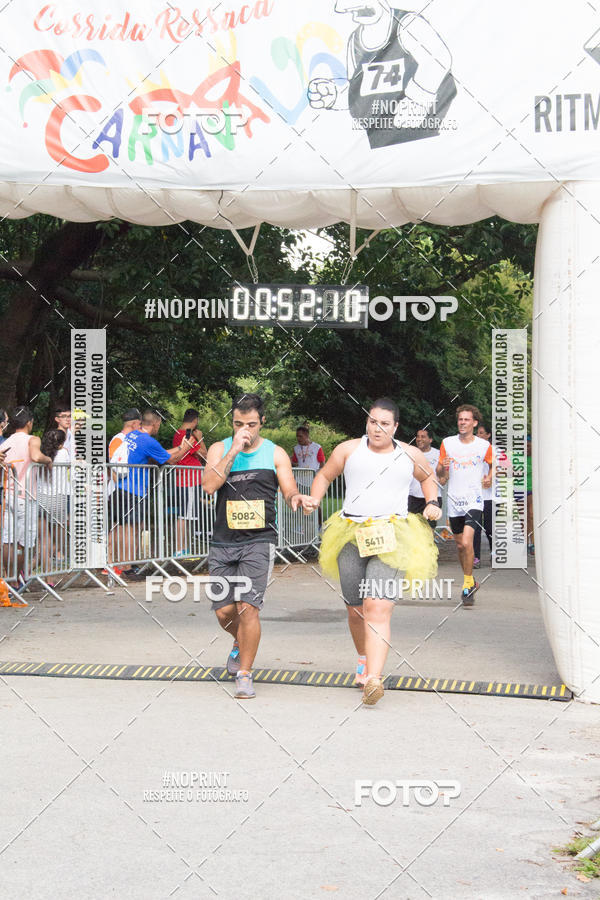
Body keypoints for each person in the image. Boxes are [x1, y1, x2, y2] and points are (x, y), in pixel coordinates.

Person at [304, 398, 440, 707]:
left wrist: (432, 502)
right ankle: (364, 658)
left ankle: (374, 679)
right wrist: (314, 499)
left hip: (392, 535)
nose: (377, 428)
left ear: (395, 427)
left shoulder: (410, 454)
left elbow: (428, 477)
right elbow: (325, 475)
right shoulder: (348, 450)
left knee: (376, 606)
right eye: (372, 422)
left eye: (384, 424)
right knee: (355, 609)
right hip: (350, 534)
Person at [202, 394, 310, 700]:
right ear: (232, 423)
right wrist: (235, 448)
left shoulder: (275, 453)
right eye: (238, 424)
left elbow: (289, 489)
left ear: (262, 421)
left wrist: (296, 499)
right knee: (224, 611)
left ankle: (245, 673)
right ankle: (241, 641)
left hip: (258, 541)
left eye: (250, 424)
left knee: (247, 607)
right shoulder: (220, 448)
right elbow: (209, 485)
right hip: (223, 541)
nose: (245, 429)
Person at [308, 1, 456, 149]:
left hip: (427, 139)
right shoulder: (355, 42)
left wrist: (417, 100)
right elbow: (358, 90)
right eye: (354, 10)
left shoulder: (408, 24)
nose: (358, 14)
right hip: (383, 146)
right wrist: (334, 95)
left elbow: (438, 60)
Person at [110, 409, 192, 567]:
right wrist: (185, 449)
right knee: (131, 529)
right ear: (155, 424)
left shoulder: (134, 435)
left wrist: (180, 446)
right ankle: (127, 566)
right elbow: (171, 460)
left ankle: (118, 565)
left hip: (120, 488)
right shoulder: (148, 441)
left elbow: (159, 454)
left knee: (123, 527)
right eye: (159, 425)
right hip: (134, 490)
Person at [437, 406, 493, 606]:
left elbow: (495, 464)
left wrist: (489, 477)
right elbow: (440, 472)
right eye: (460, 419)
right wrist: (442, 468)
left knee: (468, 542)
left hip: (473, 499)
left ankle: (467, 584)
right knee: (460, 545)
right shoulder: (447, 443)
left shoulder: (483, 445)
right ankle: (471, 579)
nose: (462, 423)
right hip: (454, 500)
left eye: (466, 420)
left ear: (474, 423)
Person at [1, 407, 52, 586]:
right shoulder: (33, 439)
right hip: (26, 496)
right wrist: (49, 461)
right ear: (29, 422)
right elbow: (36, 456)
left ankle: (11, 577)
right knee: (25, 542)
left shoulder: (5, 442)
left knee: (8, 540)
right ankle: (17, 576)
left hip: (8, 495)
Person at [171, 408, 208, 556]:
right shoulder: (187, 435)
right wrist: (200, 438)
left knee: (187, 516)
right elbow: (204, 454)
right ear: (195, 420)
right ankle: (180, 550)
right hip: (189, 480)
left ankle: (184, 549)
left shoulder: (178, 434)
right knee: (184, 517)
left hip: (185, 479)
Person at [38, 429, 70, 568]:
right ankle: (38, 561)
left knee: (44, 539)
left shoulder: (41, 454)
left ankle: (39, 564)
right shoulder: (63, 453)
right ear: (62, 443)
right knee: (60, 537)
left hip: (40, 497)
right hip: (57, 496)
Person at [407, 427, 441, 529]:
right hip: (413, 497)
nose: (419, 439)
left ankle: (430, 544)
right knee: (412, 528)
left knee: (429, 528)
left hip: (432, 498)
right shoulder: (410, 453)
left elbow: (443, 476)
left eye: (423, 437)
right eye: (417, 436)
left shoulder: (438, 454)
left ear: (430, 440)